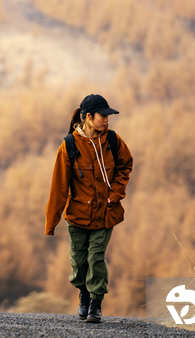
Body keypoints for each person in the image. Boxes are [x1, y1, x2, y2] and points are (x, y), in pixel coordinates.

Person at [45, 94, 133, 323]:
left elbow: (126, 165)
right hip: (77, 217)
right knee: (79, 261)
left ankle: (96, 303)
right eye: (102, 115)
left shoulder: (113, 141)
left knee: (96, 257)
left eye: (108, 116)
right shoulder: (69, 146)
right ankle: (83, 293)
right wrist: (51, 222)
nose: (107, 120)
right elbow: (59, 187)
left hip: (105, 214)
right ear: (87, 117)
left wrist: (115, 194)